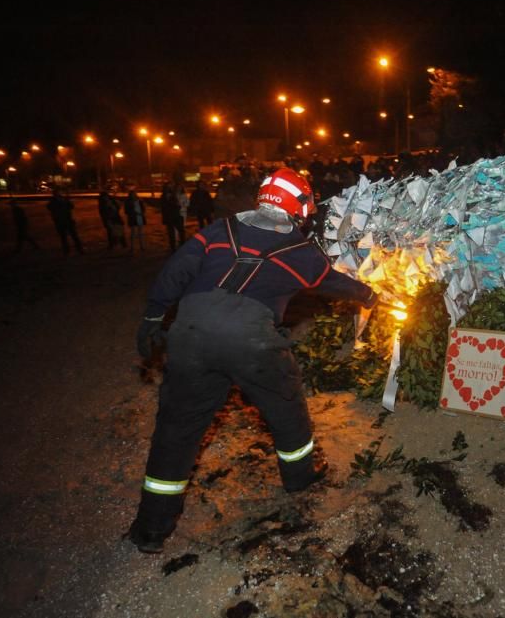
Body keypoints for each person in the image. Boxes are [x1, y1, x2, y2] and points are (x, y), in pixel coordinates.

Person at [125, 168, 378, 554]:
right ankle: (300, 477)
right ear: (301, 206)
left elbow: (176, 270)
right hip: (252, 343)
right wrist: (370, 296)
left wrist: (153, 316)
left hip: (190, 338)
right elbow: (334, 281)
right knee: (287, 409)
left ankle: (150, 530)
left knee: (176, 431)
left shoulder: (218, 231)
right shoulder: (300, 253)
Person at [46, 188, 84, 255]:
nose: (59, 194)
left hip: (68, 220)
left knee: (74, 236)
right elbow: (50, 208)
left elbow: (71, 206)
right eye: (57, 193)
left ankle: (79, 249)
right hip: (60, 222)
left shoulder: (63, 200)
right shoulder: (53, 202)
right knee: (64, 238)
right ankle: (67, 251)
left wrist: (67, 201)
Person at [160, 183, 184, 253]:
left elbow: (177, 205)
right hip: (170, 216)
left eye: (171, 186)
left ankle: (180, 245)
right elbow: (165, 207)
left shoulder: (172, 195)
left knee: (180, 231)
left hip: (175, 216)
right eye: (169, 187)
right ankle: (173, 247)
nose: (171, 188)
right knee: (172, 233)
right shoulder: (165, 196)